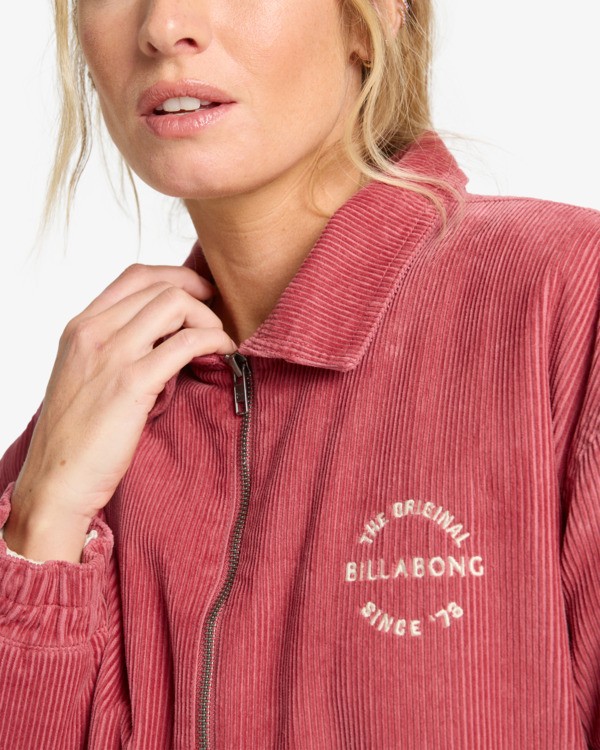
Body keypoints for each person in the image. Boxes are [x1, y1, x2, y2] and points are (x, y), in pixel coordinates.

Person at [0, 0, 599, 748]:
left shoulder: (565, 301)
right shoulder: (80, 432)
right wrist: (43, 522)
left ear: (373, 16)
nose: (162, 27)